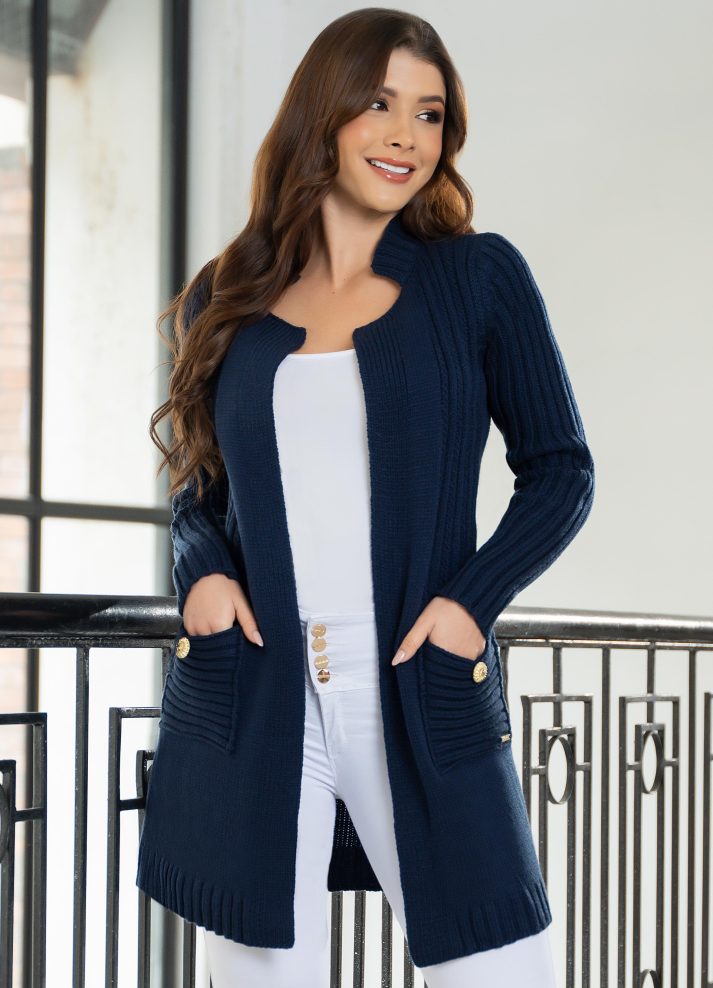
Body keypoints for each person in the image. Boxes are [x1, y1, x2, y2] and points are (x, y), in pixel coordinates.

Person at [136, 9, 595, 987]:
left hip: (414, 679)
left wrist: (469, 605)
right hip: (258, 689)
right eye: (379, 104)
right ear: (324, 113)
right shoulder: (226, 296)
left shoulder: (475, 278)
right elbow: (198, 488)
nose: (405, 136)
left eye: (429, 114)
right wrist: (202, 571)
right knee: (259, 973)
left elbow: (561, 469)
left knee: (502, 969)